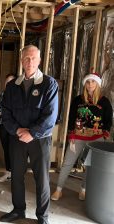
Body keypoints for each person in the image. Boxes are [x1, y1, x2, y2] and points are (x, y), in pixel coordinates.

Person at [0, 45, 59, 224]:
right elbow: (6, 113)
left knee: (41, 179)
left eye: (33, 58)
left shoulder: (49, 84)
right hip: (17, 138)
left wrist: (32, 133)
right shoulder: (12, 86)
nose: (30, 61)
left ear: (40, 61)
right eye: (26, 58)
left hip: (39, 140)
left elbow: (51, 115)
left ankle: (43, 216)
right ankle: (19, 210)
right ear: (21, 60)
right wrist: (18, 131)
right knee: (16, 176)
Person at [51, 72, 113, 201]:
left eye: (93, 82)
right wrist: (71, 134)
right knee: (68, 163)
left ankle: (83, 190)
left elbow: (108, 120)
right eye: (88, 82)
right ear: (85, 84)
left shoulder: (104, 101)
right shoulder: (78, 100)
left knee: (88, 165)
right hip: (78, 137)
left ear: (97, 84)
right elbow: (72, 118)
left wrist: (105, 133)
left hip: (96, 139)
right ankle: (58, 190)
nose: (90, 84)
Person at [0, 74, 15, 182]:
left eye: (11, 81)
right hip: (3, 125)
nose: (8, 84)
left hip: (13, 127)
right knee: (6, 150)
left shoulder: (18, 95)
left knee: (13, 151)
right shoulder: (2, 94)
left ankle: (12, 173)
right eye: (7, 81)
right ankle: (8, 172)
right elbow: (1, 111)